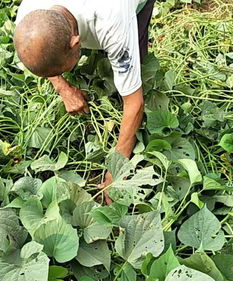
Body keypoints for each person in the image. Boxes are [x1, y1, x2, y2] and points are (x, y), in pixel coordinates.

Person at [14, 0, 156, 204]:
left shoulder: (113, 22)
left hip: (123, 9)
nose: (62, 74)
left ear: (76, 42)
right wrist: (63, 88)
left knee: (132, 68)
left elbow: (135, 104)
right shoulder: (29, 16)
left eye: (62, 70)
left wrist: (116, 171)